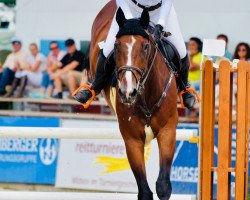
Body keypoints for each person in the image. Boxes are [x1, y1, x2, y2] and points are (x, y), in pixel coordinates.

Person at [74, 0, 196, 109]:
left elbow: (167, 2)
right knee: (107, 49)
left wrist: (160, 25)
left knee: (181, 51)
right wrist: (128, 19)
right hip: (130, 8)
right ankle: (94, 87)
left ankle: (185, 88)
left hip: (161, 12)